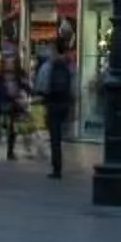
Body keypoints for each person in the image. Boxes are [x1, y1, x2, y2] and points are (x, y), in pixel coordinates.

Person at [38, 38, 78, 178]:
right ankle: (64, 161)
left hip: (53, 103)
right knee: (61, 134)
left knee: (55, 137)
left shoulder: (49, 65)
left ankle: (57, 167)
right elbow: (74, 86)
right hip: (65, 104)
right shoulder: (70, 65)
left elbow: (42, 85)